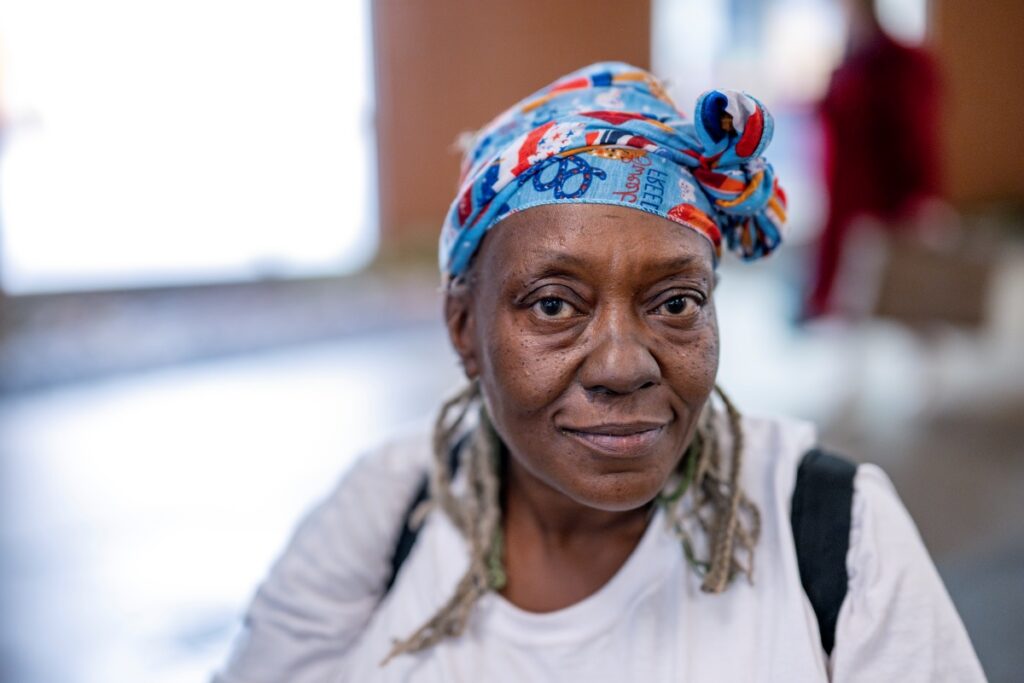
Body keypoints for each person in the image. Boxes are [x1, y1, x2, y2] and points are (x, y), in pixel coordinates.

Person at [215, 63, 985, 682]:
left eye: (677, 300)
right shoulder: (384, 515)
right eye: (553, 305)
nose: (622, 364)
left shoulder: (834, 532)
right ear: (464, 329)